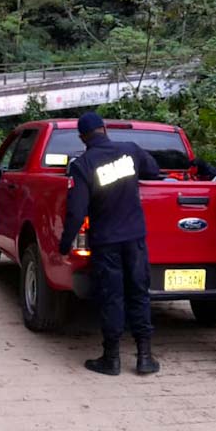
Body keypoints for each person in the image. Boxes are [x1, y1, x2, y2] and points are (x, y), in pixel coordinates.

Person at [59, 112, 162, 376]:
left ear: (82, 137)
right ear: (104, 129)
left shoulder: (83, 165)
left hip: (106, 243)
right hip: (135, 239)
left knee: (112, 297)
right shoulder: (130, 150)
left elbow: (76, 211)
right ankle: (145, 357)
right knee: (139, 293)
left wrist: (64, 244)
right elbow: (153, 170)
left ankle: (112, 358)